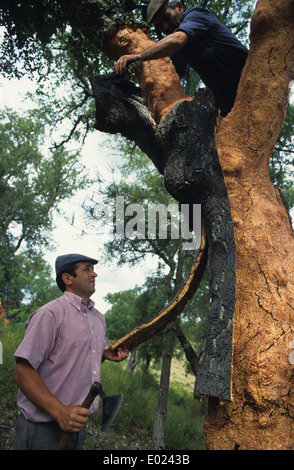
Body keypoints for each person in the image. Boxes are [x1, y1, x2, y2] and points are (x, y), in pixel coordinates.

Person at [13, 253, 129, 450]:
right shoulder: (50, 314)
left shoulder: (98, 319)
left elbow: (69, 362)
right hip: (43, 429)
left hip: (77, 429)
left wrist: (102, 355)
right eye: (87, 269)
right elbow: (22, 372)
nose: (95, 274)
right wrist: (60, 412)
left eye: (93, 269)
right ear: (67, 278)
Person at [115, 0, 248, 116]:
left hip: (247, 72)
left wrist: (138, 56)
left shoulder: (196, 15)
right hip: (229, 99)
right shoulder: (178, 49)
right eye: (160, 25)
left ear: (179, 7)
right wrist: (147, 94)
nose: (165, 26)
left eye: (167, 17)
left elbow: (177, 40)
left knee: (210, 55)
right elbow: (176, 72)